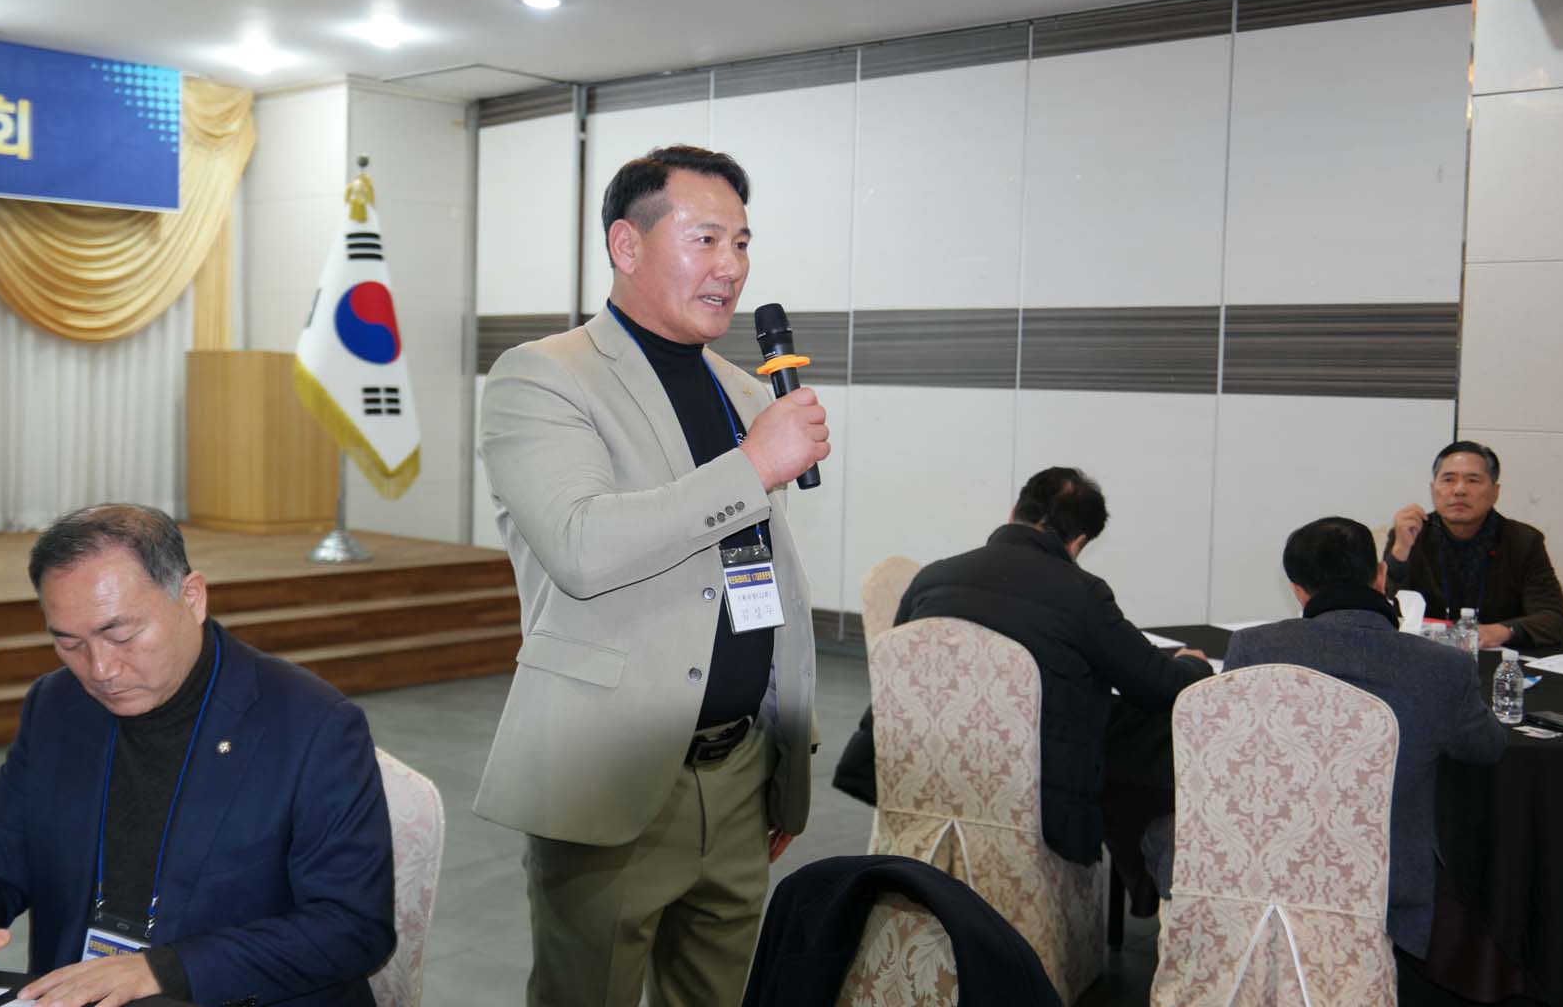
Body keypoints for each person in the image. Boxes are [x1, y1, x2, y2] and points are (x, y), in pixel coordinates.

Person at [475, 145, 827, 1006]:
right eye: (705, 239)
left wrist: (783, 759)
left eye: (741, 243)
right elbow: (582, 546)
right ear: (626, 246)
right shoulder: (543, 377)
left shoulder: (746, 394)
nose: (730, 267)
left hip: (742, 776)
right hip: (615, 773)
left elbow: (758, 580)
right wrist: (754, 466)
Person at [0, 505, 395, 1007]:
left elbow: (352, 926)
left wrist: (164, 970)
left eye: (121, 635)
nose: (100, 669)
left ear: (192, 597)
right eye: (69, 642)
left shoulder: (311, 724)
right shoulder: (58, 704)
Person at [839, 468, 1211, 904]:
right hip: (1034, 788)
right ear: (1079, 542)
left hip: (923, 763)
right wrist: (1193, 664)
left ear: (1014, 511)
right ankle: (1149, 880)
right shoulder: (1081, 594)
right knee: (1143, 739)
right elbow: (1157, 685)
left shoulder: (933, 577)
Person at [1224, 516, 1506, 959]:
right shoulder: (1443, 667)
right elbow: (1486, 748)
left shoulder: (1252, 649)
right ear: (1380, 575)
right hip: (1389, 882)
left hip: (1273, 870)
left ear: (1297, 590)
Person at [1385, 440, 1563, 652]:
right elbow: (1385, 610)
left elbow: (1556, 620)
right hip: (1427, 655)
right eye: (1448, 479)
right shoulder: (1412, 533)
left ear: (1495, 491)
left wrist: (1504, 631)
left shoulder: (1523, 541)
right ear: (1433, 488)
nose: (1459, 490)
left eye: (1472, 480)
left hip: (1494, 659)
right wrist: (1399, 553)